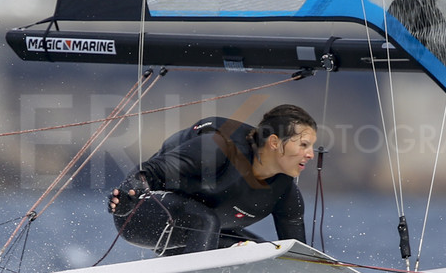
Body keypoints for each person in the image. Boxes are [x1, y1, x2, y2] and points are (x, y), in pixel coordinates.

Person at [108, 103, 318, 255]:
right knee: (205, 221)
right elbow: (150, 172)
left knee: (261, 252)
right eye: (303, 145)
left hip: (198, 237)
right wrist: (129, 195)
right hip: (140, 215)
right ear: (274, 142)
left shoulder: (285, 193)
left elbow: (297, 253)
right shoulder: (216, 149)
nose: (310, 154)